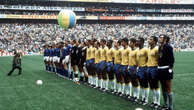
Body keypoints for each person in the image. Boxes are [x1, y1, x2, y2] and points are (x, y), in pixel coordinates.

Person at [158, 35, 175, 110]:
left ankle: (170, 107)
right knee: (163, 87)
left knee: (168, 87)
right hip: (160, 69)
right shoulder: (159, 47)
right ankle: (165, 104)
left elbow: (172, 59)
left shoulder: (168, 47)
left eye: (161, 37)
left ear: (165, 39)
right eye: (159, 37)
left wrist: (170, 68)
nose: (160, 39)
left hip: (166, 68)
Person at [147, 36, 161, 109]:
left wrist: (158, 68)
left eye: (151, 39)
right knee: (151, 85)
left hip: (155, 68)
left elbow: (160, 59)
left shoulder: (157, 49)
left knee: (156, 85)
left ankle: (158, 102)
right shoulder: (149, 48)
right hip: (149, 68)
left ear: (155, 41)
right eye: (149, 39)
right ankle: (154, 101)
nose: (149, 41)